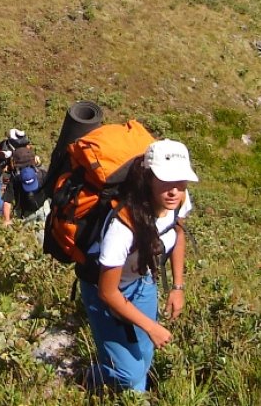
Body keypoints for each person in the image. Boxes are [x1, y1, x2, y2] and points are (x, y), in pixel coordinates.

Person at [80, 139, 197, 393]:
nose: (174, 191)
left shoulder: (178, 201)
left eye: (180, 182)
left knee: (144, 357)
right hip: (104, 292)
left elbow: (178, 233)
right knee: (128, 374)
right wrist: (151, 326)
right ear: (148, 177)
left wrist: (177, 287)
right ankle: (92, 377)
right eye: (166, 181)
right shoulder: (123, 226)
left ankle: (134, 394)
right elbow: (107, 292)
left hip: (142, 281)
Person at [1, 147, 49, 241]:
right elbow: (7, 201)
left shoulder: (16, 179)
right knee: (35, 240)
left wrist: (7, 219)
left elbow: (7, 200)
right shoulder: (41, 174)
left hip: (38, 210)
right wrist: (6, 220)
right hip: (35, 211)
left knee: (38, 240)